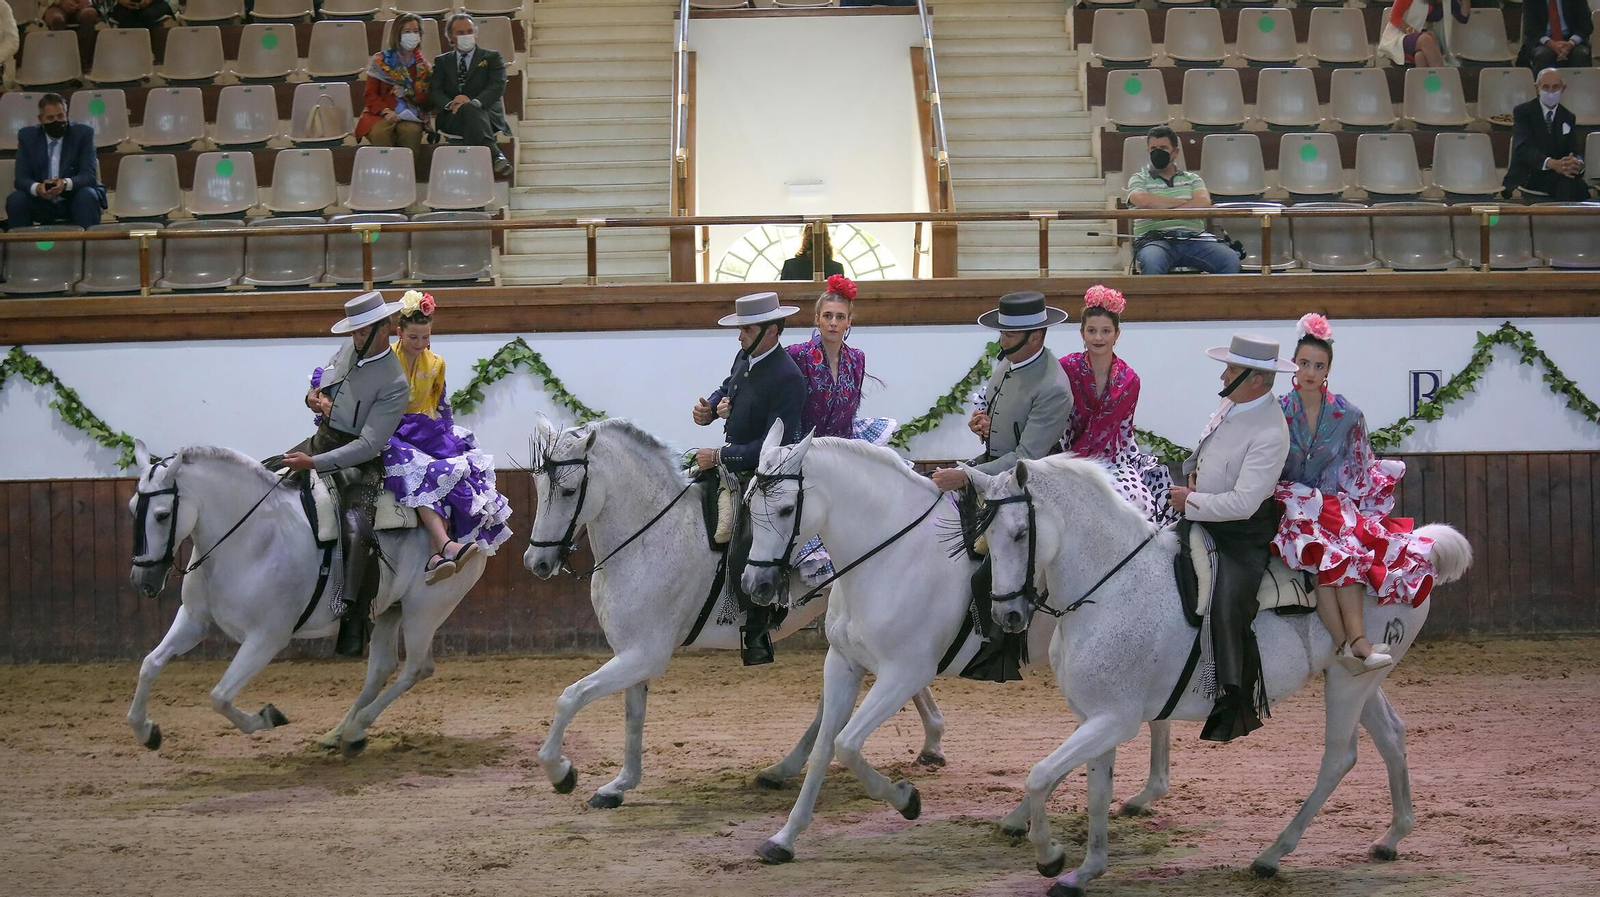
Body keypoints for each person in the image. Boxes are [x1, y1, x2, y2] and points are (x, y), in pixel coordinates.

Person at [1273, 314, 1439, 676]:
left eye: (1318, 365)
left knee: (1347, 553)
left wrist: (1364, 511)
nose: (1310, 372)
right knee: (1323, 554)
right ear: (1294, 365)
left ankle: (1356, 642)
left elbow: (1361, 464)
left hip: (1330, 502)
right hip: (1287, 500)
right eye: (1304, 363)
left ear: (1328, 369)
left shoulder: (1347, 414)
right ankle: (1348, 644)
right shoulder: (1278, 411)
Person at [932, 291, 1074, 683]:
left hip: (1030, 487)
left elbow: (1025, 457)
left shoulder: (1053, 387)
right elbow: (999, 434)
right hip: (996, 473)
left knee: (994, 567)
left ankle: (999, 645)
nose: (1001, 340)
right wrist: (982, 426)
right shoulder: (1009, 365)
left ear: (1036, 337)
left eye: (1009, 335)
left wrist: (966, 475)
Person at [1167, 334, 1293, 743]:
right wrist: (1192, 477)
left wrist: (1192, 501)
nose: (1224, 375)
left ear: (1256, 380)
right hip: (1202, 508)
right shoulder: (1233, 403)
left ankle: (1233, 695)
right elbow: (1207, 448)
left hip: (1242, 533)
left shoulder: (1271, 431)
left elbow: (1242, 503)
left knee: (1227, 604)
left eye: (1233, 370)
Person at [271, 292, 409, 657]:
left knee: (355, 526)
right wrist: (313, 399)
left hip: (358, 462)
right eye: (355, 332)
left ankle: (354, 615)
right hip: (320, 440)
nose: (356, 338)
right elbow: (316, 390)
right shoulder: (348, 351)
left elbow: (368, 445)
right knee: (265, 477)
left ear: (385, 329)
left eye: (362, 332)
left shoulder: (395, 383)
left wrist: (314, 464)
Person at [691, 291, 805, 665]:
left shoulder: (788, 377)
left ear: (771, 331)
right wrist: (710, 408)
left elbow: (780, 445)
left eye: (746, 329)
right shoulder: (746, 357)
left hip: (767, 471)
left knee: (751, 535)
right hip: (731, 461)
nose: (740, 336)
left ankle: (757, 624)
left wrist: (720, 454)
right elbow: (729, 388)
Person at [377, 291, 512, 583]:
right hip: (393, 432)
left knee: (455, 471)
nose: (421, 344)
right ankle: (443, 546)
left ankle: (435, 555)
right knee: (423, 471)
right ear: (399, 332)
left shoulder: (436, 362)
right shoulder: (386, 360)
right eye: (414, 337)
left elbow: (441, 403)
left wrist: (448, 435)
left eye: (426, 337)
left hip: (427, 429)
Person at [783, 274, 897, 585]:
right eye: (828, 316)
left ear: (849, 322)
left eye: (840, 317)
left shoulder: (856, 359)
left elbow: (851, 406)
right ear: (817, 319)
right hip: (806, 448)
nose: (833, 323)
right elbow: (789, 407)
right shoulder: (798, 354)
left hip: (844, 445)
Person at [1057, 285, 1176, 525]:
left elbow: (1124, 429)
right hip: (1066, 457)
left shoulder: (1130, 380)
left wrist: (1130, 464)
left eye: (1105, 331)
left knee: (1139, 502)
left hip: (1112, 459)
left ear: (1117, 334)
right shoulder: (1065, 368)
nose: (1098, 338)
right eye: (1091, 330)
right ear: (1082, 333)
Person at [1127, 125, 1240, 276]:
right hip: (1155, 241)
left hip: (1194, 240)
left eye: (1163, 148)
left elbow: (1204, 203)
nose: (1157, 152)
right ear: (1148, 151)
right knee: (1152, 262)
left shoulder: (1192, 179)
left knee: (1230, 259)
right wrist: (1185, 205)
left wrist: (1162, 208)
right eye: (1153, 149)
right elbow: (1142, 200)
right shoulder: (1139, 178)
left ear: (1175, 152)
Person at [430, 13, 513, 178]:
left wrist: (473, 103)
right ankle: (495, 154)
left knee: (470, 113)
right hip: (452, 117)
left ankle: (469, 181)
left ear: (475, 33)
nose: (466, 35)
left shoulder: (492, 58)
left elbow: (497, 86)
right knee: (468, 113)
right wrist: (451, 104)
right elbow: (435, 91)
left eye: (469, 31)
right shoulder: (442, 62)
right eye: (460, 33)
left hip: (487, 116)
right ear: (450, 37)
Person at [7, 94, 103, 230]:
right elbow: (21, 179)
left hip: (73, 198)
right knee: (16, 200)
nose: (57, 121)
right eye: (50, 118)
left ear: (66, 114)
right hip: (41, 202)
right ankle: (23, 249)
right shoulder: (27, 137)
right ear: (41, 119)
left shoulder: (83, 134)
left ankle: (90, 248)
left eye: (60, 116)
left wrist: (64, 183)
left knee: (87, 194)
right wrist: (38, 188)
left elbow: (89, 176)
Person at [1501, 68, 1589, 201]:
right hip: (1530, 173)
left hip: (1558, 174)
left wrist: (1577, 162)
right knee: (1567, 184)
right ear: (1537, 88)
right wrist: (1552, 164)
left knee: (1579, 185)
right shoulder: (1523, 112)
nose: (1551, 91)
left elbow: (1574, 150)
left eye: (1555, 87)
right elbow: (1523, 148)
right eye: (1546, 87)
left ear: (1563, 88)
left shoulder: (1568, 116)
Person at [359, 13, 433, 154]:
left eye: (415, 31)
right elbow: (370, 93)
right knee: (380, 133)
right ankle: (386, 173)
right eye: (407, 32)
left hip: (411, 114)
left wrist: (409, 93)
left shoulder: (424, 67)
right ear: (397, 34)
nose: (412, 35)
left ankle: (407, 173)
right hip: (381, 113)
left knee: (411, 132)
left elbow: (428, 101)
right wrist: (386, 111)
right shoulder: (381, 60)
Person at [1378, 0, 1468, 68]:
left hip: (1425, 37)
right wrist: (1414, 33)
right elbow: (1394, 17)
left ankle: (1426, 88)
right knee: (1426, 40)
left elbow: (1463, 18)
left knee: (1420, 57)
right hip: (1400, 36)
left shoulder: (1446, 2)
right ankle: (1442, 79)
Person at [1519, 0, 1593, 71]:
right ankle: (1544, 83)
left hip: (1572, 39)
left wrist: (1571, 43)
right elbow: (1530, 28)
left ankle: (1580, 83)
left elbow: (1586, 25)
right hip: (1542, 40)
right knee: (1543, 55)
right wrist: (1550, 43)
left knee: (1580, 54)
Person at [780, 223, 845, 281]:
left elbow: (781, 292)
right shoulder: (837, 268)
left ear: (804, 238)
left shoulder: (789, 265)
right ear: (826, 239)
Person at [107, 0, 175, 30]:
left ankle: (148, 45)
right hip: (124, 5)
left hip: (155, 3)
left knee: (147, 15)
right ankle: (127, 46)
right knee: (124, 16)